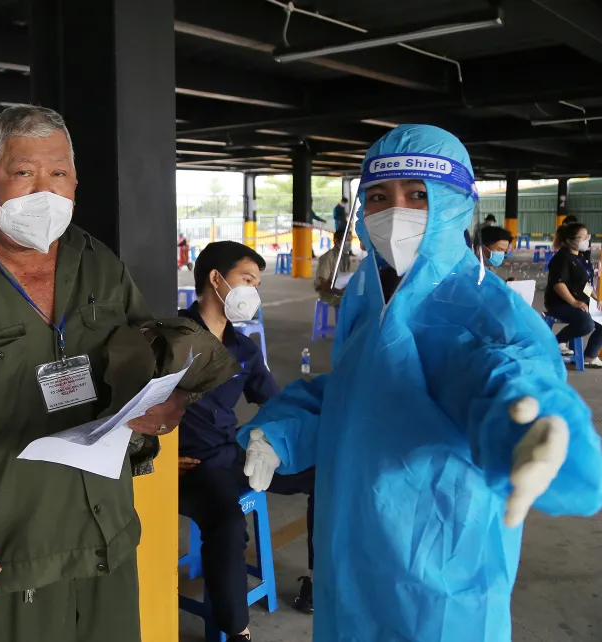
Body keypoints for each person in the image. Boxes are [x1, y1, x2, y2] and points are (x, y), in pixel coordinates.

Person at [238, 124, 602, 642]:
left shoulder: (483, 307)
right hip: (350, 558)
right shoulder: (370, 293)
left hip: (438, 572)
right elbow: (356, 393)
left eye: (418, 195)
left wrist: (531, 426)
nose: (395, 212)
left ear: (455, 203)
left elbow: (498, 379)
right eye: (379, 197)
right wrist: (281, 432)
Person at [0, 104, 187, 642]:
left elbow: (151, 365)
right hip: (6, 556)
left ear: (76, 183)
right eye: (24, 172)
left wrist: (167, 407)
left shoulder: (99, 263)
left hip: (108, 539)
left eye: (59, 172)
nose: (45, 190)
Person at [178, 241, 315, 641]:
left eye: (258, 284)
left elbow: (277, 404)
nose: (254, 291)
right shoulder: (171, 339)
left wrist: (275, 442)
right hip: (190, 466)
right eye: (247, 280)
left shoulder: (242, 349)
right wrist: (157, 458)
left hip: (232, 453)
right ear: (216, 279)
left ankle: (316, 579)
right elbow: (133, 407)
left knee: (324, 474)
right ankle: (237, 631)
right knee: (227, 524)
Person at [545, 223, 602, 368]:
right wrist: (574, 302)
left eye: (587, 236)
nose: (586, 240)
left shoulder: (581, 257)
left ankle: (590, 355)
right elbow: (558, 284)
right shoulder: (561, 258)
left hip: (580, 302)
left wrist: (596, 298)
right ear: (569, 240)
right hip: (561, 303)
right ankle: (557, 342)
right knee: (586, 324)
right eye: (582, 237)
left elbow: (584, 284)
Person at [314, 226, 353, 310]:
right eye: (346, 240)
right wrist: (338, 291)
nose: (349, 243)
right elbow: (322, 284)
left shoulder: (345, 257)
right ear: (336, 240)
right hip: (328, 293)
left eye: (350, 240)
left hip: (340, 290)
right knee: (351, 303)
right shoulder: (328, 257)